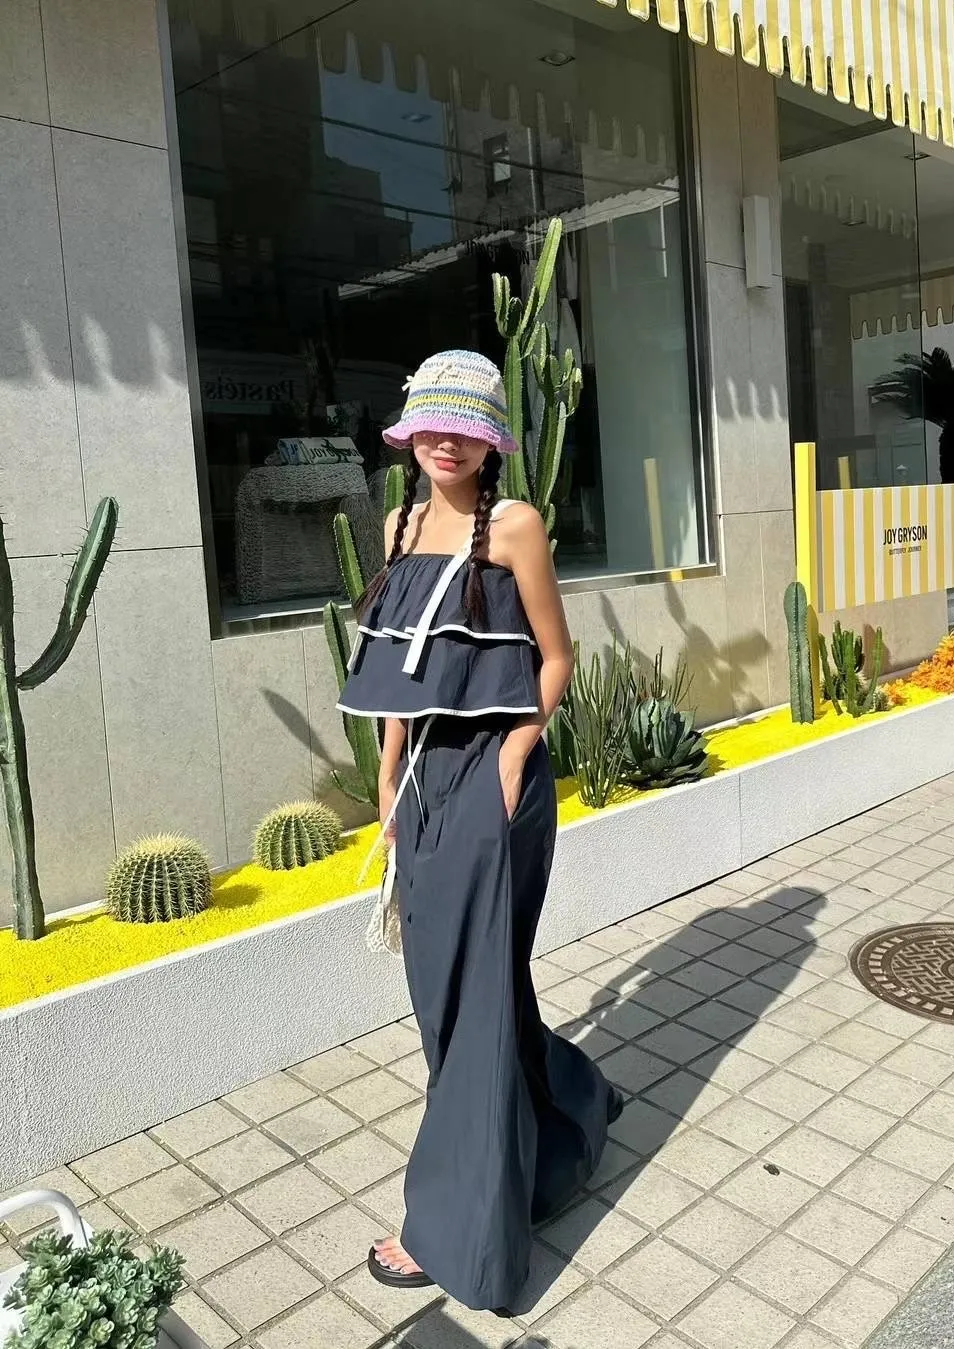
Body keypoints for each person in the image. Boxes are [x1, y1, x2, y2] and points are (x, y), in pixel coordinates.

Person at [336, 350, 622, 1313]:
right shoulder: (400, 523)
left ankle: (455, 1229)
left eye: (464, 427)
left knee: (477, 997)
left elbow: (556, 656)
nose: (445, 443)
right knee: (445, 993)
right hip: (419, 780)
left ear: (492, 438)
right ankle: (567, 1111)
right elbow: (399, 672)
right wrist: (387, 771)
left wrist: (517, 750)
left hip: (495, 778)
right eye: (431, 424)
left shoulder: (515, 525)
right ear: (410, 433)